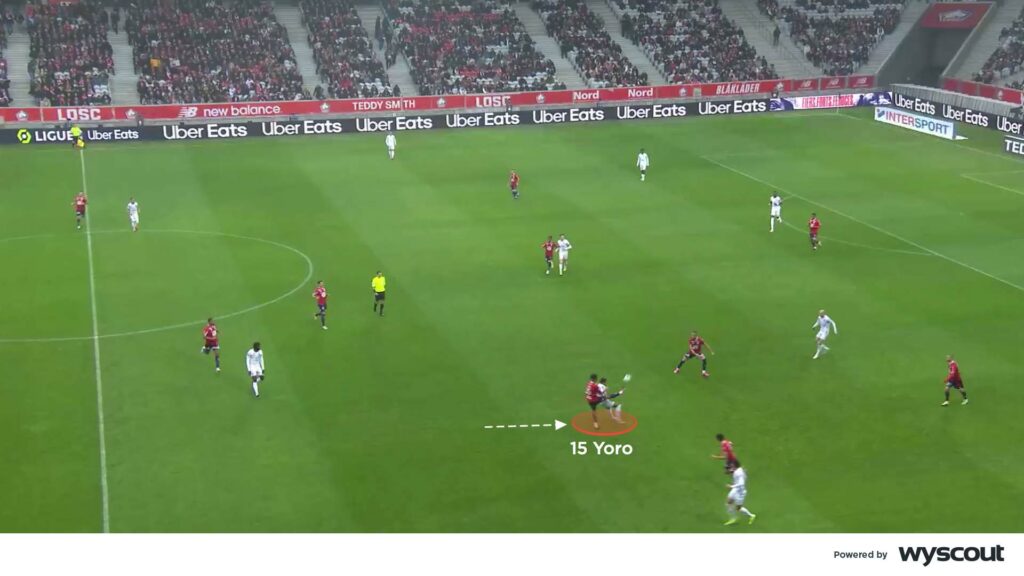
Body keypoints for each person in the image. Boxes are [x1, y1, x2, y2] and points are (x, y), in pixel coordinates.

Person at [724, 460, 756, 526]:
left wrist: (731, 486)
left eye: (731, 466)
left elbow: (741, 484)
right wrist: (729, 471)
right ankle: (733, 518)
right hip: (735, 490)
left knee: (738, 509)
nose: (730, 467)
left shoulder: (739, 473)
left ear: (734, 466)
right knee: (729, 502)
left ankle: (752, 516)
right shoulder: (738, 470)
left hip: (740, 493)